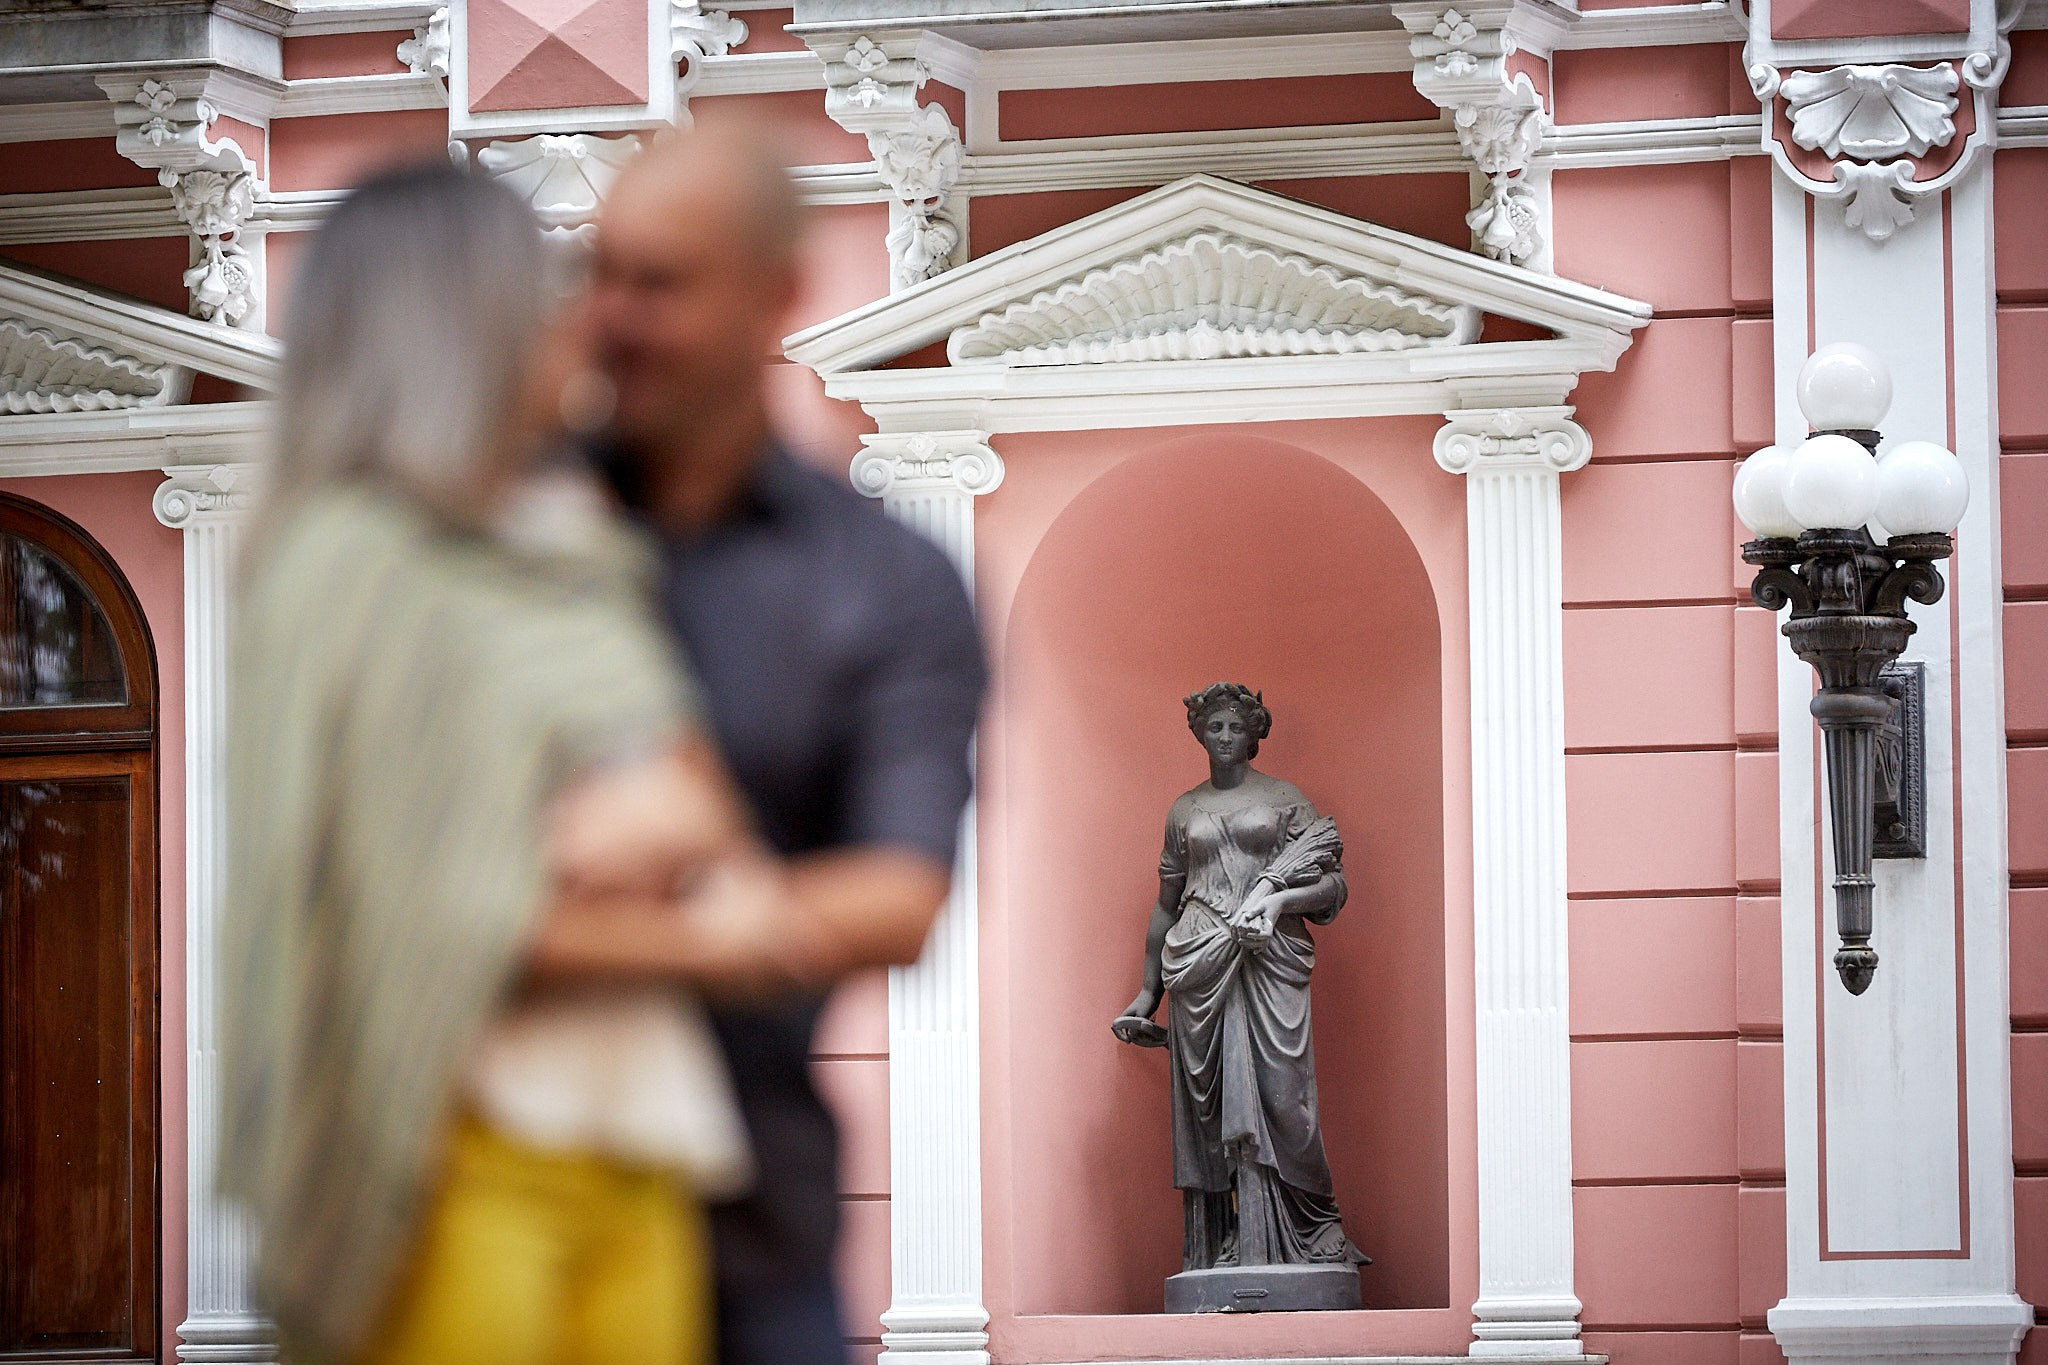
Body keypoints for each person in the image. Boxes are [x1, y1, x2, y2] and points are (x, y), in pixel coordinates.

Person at [218, 162, 782, 1365]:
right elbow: (416, 907)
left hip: (644, 1132)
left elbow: (700, 815)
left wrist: (586, 862)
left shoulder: (576, 555)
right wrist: (710, 933)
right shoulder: (341, 565)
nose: (586, 322)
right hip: (446, 1155)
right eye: (546, 294)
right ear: (457, 326)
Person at [579, 127, 988, 1365]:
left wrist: (547, 932)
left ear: (775, 294)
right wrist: (737, 915)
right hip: (482, 1194)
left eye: (660, 283)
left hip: (748, 1228)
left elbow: (901, 897)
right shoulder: (508, 532)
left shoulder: (888, 582)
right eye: (601, 275)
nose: (616, 318)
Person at [1112, 683, 1369, 1274]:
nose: (1224, 737)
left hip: (1269, 954)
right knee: (1211, 1114)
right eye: (1214, 728)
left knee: (1284, 1098)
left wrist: (1278, 902)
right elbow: (1164, 906)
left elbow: (1334, 885)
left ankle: (1309, 1233)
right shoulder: (1183, 809)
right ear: (1199, 734)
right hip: (1198, 964)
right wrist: (1148, 992)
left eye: (1235, 727)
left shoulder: (1285, 799)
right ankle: (1232, 1243)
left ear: (1255, 734)